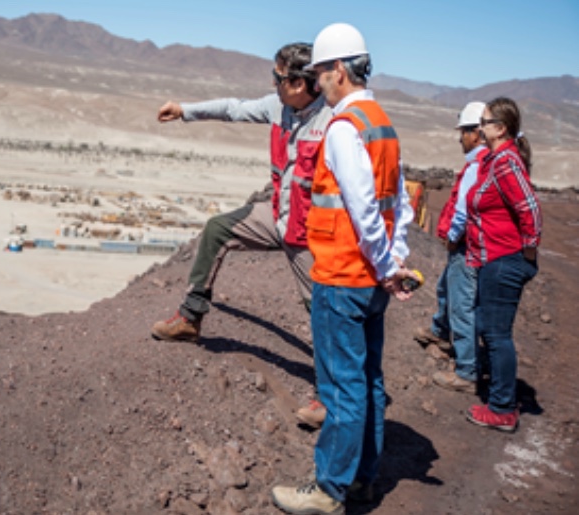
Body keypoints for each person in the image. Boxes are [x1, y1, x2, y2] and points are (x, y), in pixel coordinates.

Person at [270, 23, 418, 515]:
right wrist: (393, 266)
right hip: (372, 279)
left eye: (320, 73)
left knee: (342, 388)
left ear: (338, 70)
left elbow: (362, 209)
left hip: (342, 276)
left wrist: (383, 265)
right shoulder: (383, 123)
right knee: (369, 381)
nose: (317, 84)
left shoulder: (342, 125)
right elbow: (403, 207)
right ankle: (363, 481)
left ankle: (329, 489)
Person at [149, 43, 333, 428]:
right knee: (218, 229)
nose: (273, 83)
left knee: (321, 310)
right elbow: (233, 108)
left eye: (278, 77)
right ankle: (190, 317)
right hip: (280, 216)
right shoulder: (279, 107)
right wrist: (185, 111)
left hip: (312, 235)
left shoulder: (335, 122)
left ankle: (333, 397)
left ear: (299, 83)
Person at [464, 97, 542, 433]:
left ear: (501, 127)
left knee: (496, 334)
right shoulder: (495, 161)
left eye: (484, 121)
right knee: (490, 329)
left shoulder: (506, 162)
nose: (479, 128)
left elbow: (530, 210)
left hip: (504, 259)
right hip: (494, 257)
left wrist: (527, 254)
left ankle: (502, 408)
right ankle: (503, 394)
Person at [415, 102, 489, 393]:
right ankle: (439, 332)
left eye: (465, 132)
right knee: (447, 288)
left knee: (462, 304)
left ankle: (467, 371)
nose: (461, 138)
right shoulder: (486, 161)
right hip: (470, 244)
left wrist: (453, 235)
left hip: (465, 244)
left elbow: (463, 208)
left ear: (477, 133)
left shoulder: (477, 164)